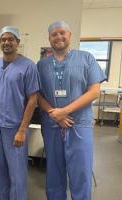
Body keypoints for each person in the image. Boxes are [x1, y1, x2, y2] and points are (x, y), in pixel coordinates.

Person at [37, 20, 106, 200]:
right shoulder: (41, 65)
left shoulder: (86, 58)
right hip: (52, 125)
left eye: (62, 33)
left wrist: (64, 111)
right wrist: (55, 114)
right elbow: (37, 95)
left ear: (69, 35)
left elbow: (94, 91)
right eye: (54, 34)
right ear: (49, 38)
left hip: (79, 125)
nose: (58, 37)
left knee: (80, 172)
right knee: (54, 172)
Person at [0, 26, 40, 200]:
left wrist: (21, 130)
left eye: (11, 39)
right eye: (3, 39)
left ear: (18, 42)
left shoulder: (28, 66)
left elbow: (33, 100)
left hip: (15, 128)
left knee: (17, 172)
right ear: (0, 43)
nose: (6, 42)